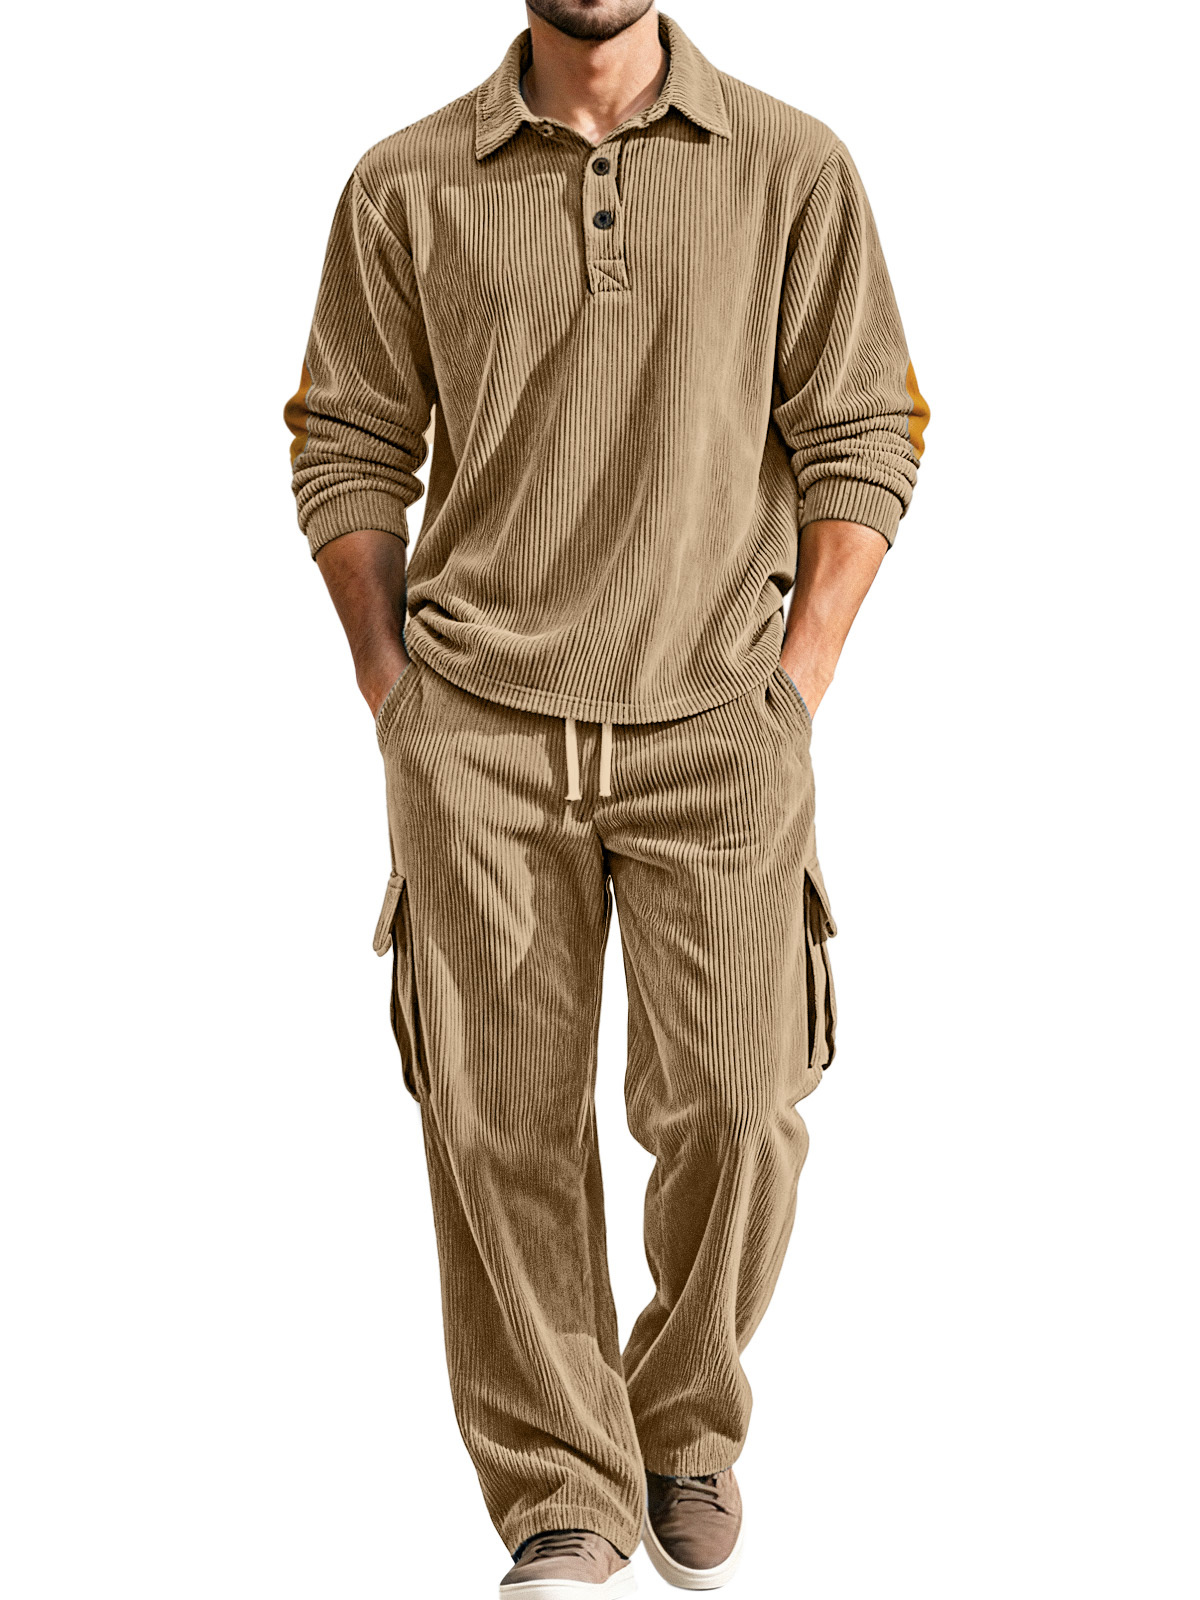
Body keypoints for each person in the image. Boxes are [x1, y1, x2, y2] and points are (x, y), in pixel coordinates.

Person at [284, 4, 927, 1593]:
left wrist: (794, 690)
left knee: (738, 1105)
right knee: (500, 1125)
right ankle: (561, 1491)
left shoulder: (792, 167)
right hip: (481, 735)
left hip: (718, 724)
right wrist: (397, 695)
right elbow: (349, 442)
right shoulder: (405, 185)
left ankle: (682, 1416)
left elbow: (864, 432)